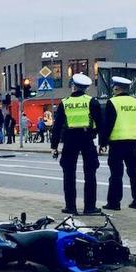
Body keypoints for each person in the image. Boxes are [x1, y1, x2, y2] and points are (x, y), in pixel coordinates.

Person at [51, 73, 102, 215]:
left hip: (70, 139)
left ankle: (70, 207)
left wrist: (54, 147)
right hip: (87, 138)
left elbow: (57, 126)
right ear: (86, 88)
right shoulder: (92, 101)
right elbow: (100, 123)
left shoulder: (65, 102)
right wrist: (102, 142)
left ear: (73, 86)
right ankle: (90, 207)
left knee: (68, 173)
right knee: (90, 173)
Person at [99, 76, 136, 210]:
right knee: (133, 173)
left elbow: (108, 124)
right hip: (132, 143)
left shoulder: (113, 102)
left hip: (117, 143)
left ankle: (114, 203)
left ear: (116, 88)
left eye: (114, 87)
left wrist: (103, 143)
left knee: (116, 175)